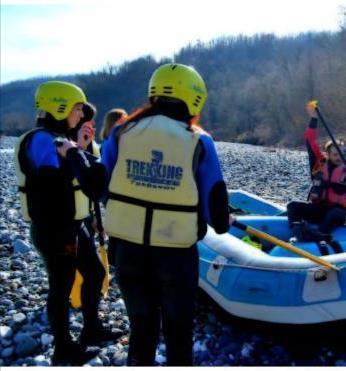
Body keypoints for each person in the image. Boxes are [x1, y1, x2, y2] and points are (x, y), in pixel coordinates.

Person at [101, 63, 230, 366]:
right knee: (178, 332)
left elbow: (102, 187)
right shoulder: (199, 140)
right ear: (195, 98)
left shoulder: (121, 132)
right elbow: (218, 216)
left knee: (142, 329)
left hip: (127, 252)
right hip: (175, 256)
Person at [14, 81, 116, 366]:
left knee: (95, 273)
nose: (81, 113)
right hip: (53, 228)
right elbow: (50, 183)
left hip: (73, 224)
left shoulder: (61, 138)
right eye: (77, 108)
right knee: (61, 286)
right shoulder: (41, 141)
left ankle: (91, 329)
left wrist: (80, 149)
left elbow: (84, 181)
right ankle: (63, 348)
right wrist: (75, 151)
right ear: (59, 106)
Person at [287, 101, 346, 247]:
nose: (339, 156)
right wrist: (314, 118)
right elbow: (309, 141)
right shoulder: (319, 164)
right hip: (320, 209)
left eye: (342, 153)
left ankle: (321, 236)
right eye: (335, 154)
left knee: (335, 213)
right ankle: (298, 231)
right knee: (292, 206)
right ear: (328, 154)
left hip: (340, 214)